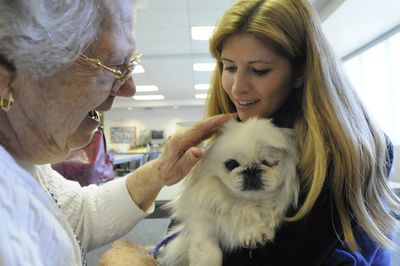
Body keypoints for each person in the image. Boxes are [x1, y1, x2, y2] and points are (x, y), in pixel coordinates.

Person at [0, 0, 232, 265]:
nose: (129, 88)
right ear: (7, 72)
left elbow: (78, 214)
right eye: (111, 66)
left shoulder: (24, 162)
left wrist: (160, 171)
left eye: (129, 66)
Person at [201, 0, 400, 265]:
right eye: (229, 67)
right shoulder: (239, 125)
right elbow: (191, 222)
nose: (237, 88)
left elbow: (278, 260)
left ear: (301, 72)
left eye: (259, 70)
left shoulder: (347, 149)